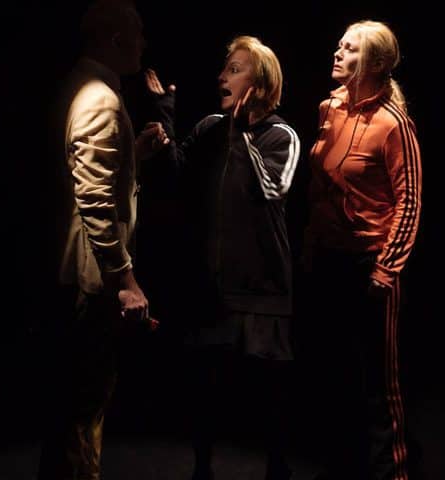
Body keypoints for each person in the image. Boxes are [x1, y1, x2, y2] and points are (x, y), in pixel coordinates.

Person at [144, 35, 300, 480]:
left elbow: (271, 188)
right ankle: (202, 471)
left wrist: (242, 132)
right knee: (205, 387)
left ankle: (277, 470)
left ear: (261, 83)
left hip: (262, 287)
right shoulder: (211, 126)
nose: (221, 77)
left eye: (234, 69)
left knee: (269, 393)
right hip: (213, 288)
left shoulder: (281, 134)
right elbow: (176, 175)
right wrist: (163, 116)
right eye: (224, 68)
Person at [39, 1, 168, 478]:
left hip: (73, 274)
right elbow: (93, 202)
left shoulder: (79, 85)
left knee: (70, 411)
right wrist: (126, 281)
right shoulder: (100, 98)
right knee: (83, 413)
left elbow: (86, 174)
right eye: (138, 34)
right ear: (116, 39)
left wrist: (132, 154)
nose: (143, 44)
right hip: (90, 280)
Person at [302, 20, 423, 480]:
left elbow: (409, 201)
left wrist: (385, 269)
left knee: (379, 380)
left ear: (374, 63)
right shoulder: (329, 109)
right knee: (333, 372)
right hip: (329, 258)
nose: (337, 52)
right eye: (339, 45)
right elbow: (319, 189)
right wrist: (311, 244)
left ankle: (393, 473)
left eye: (349, 49)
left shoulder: (393, 124)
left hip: (370, 262)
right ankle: (341, 466)